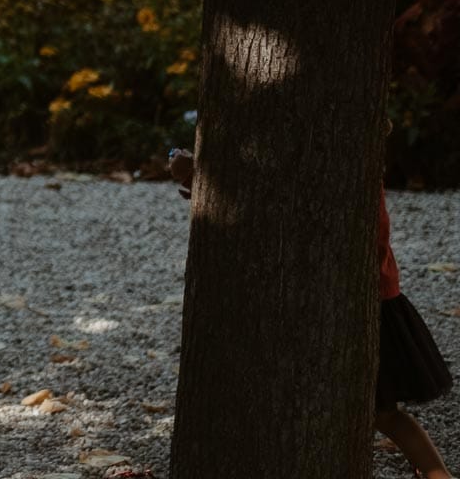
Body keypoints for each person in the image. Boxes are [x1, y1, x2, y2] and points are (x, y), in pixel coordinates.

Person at [171, 149, 452, 478]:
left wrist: (200, 178)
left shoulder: (339, 164)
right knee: (381, 411)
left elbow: (278, 212)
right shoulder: (344, 161)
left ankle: (439, 475)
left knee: (381, 410)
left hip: (356, 305)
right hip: (350, 298)